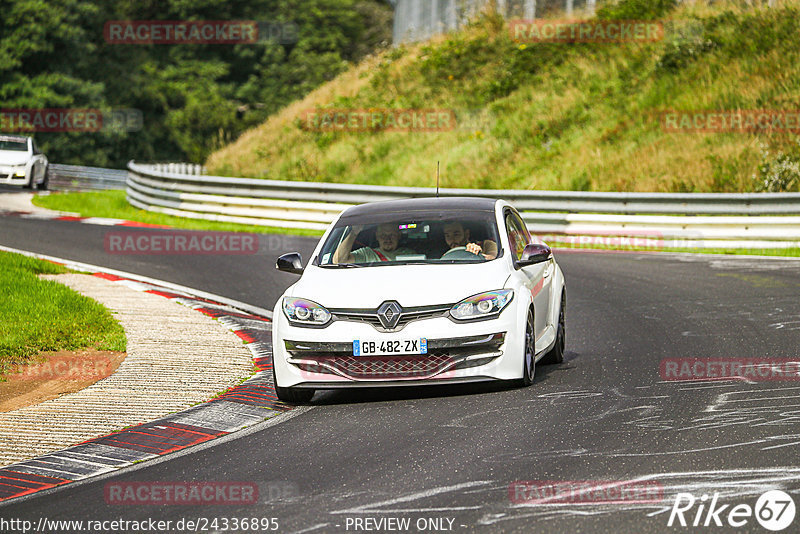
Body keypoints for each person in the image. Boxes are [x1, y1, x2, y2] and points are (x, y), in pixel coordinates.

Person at [333, 223, 416, 263]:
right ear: (377, 236)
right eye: (383, 235)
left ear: (399, 236)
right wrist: (354, 232)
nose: (388, 239)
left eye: (392, 235)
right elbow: (338, 261)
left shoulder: (409, 254)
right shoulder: (366, 253)